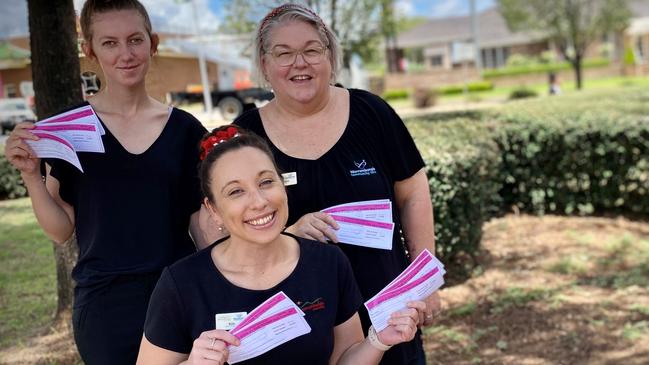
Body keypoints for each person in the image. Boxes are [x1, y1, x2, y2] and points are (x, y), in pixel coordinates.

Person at [233, 3, 441, 364]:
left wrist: (425, 280)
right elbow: (228, 223)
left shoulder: (372, 113)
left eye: (312, 50)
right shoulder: (245, 134)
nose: (300, 63)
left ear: (331, 55)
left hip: (387, 308)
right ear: (265, 65)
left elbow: (413, 194)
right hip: (297, 323)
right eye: (283, 53)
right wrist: (287, 233)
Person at [3, 0, 208, 363]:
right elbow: (60, 230)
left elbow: (201, 225)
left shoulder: (186, 131)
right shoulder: (68, 130)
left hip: (178, 298)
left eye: (134, 40)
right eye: (109, 43)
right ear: (90, 51)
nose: (125, 54)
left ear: (153, 43)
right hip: (104, 307)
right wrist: (31, 176)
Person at [137, 125, 424, 365]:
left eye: (266, 182)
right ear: (213, 209)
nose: (259, 201)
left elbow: (343, 359)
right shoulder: (182, 284)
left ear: (283, 185)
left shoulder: (328, 263)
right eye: (236, 191)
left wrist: (379, 340)